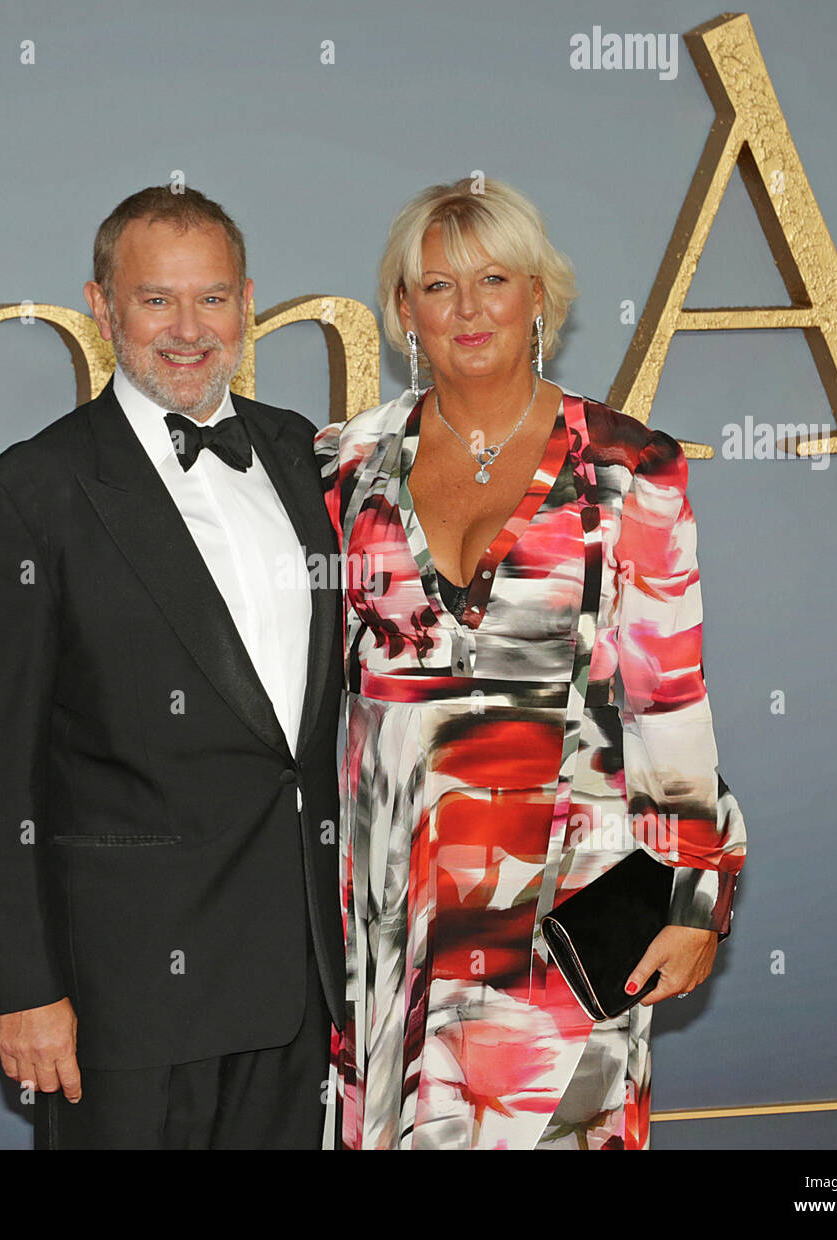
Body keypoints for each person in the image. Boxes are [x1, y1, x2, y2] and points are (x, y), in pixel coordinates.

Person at [314, 176, 746, 1150]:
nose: (466, 309)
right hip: (396, 902)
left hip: (567, 888)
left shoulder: (629, 465)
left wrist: (692, 894)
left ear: (539, 295)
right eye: (435, 285)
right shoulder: (345, 464)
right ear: (400, 311)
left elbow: (667, 689)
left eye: (493, 278)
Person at [0, 185, 345, 1149]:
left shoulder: (302, 457)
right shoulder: (31, 494)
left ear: (248, 304)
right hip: (127, 1003)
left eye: (212, 298)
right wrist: (24, 989)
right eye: (156, 299)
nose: (188, 329)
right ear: (102, 307)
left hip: (305, 982)